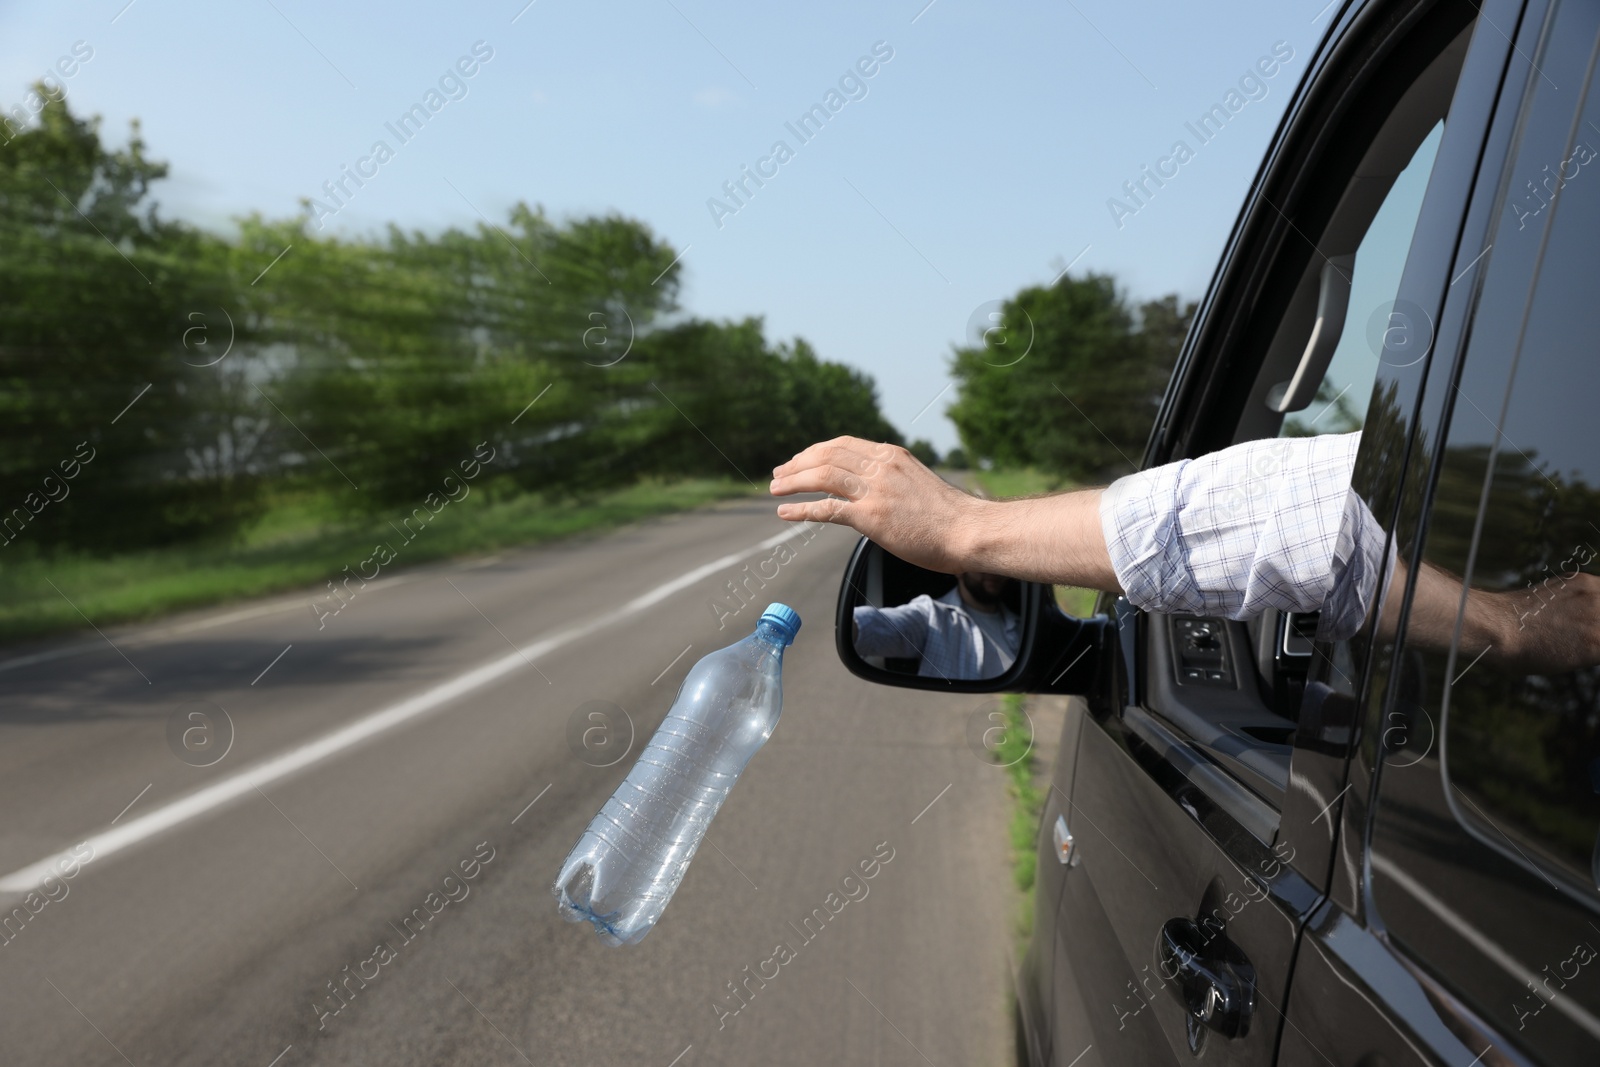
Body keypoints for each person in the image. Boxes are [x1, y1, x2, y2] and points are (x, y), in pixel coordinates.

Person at [768, 433, 1600, 676]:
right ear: (947, 583)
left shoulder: (986, 581)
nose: (987, 571)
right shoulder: (927, 620)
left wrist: (965, 522)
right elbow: (866, 631)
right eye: (972, 563)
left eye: (1004, 561)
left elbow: (1307, 521)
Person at [852, 571, 1020, 680]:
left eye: (997, 561)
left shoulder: (1023, 626)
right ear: (958, 569)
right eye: (981, 560)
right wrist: (850, 628)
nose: (992, 570)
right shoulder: (932, 616)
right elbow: (883, 625)